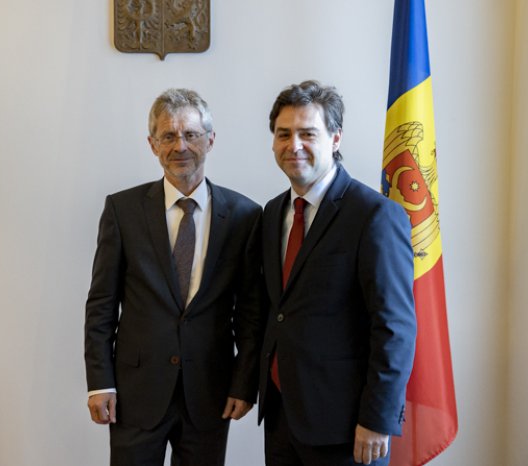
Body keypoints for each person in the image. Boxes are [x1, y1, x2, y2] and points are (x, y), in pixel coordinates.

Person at [84, 88, 263, 466]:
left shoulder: (245, 216)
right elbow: (101, 304)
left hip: (210, 393)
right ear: (153, 144)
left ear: (210, 140)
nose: (180, 146)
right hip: (136, 393)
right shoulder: (122, 210)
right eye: (168, 136)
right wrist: (100, 383)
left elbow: (250, 313)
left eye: (191, 134)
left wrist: (244, 382)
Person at [257, 80, 417, 466]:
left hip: (348, 427)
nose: (294, 145)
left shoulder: (374, 215)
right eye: (284, 134)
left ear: (335, 138)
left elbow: (395, 327)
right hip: (282, 418)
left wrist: (377, 419)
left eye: (308, 133)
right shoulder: (272, 213)